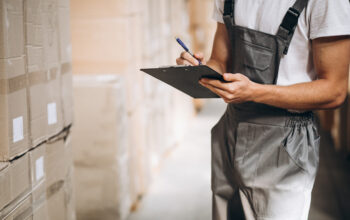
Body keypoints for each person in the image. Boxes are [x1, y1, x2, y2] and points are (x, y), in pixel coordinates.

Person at [176, 0, 350, 219]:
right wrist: (198, 71)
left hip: (285, 142)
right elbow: (220, 62)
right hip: (232, 131)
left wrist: (253, 92)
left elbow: (334, 90)